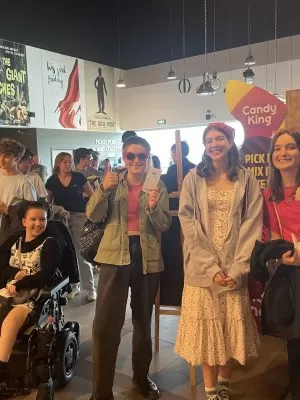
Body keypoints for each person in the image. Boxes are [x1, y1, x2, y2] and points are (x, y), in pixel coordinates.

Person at [175, 123, 262, 400]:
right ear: (204, 145)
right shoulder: (192, 178)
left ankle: (224, 384)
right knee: (206, 333)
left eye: (220, 138)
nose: (214, 144)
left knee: (229, 329)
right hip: (202, 271)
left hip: (235, 268)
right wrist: (211, 268)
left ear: (230, 141)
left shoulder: (246, 179)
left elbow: (253, 223)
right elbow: (187, 221)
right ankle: (211, 392)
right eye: (209, 139)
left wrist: (238, 267)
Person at [86, 136, 171, 400]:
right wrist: (102, 189)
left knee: (143, 322)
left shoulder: (157, 184)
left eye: (141, 156)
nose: (136, 161)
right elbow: (92, 215)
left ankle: (141, 378)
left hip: (147, 258)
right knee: (105, 326)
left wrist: (155, 207)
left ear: (148, 157)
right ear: (124, 157)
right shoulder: (111, 181)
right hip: (114, 256)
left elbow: (164, 224)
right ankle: (101, 391)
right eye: (130, 156)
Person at [0, 201, 61, 384]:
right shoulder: (13, 242)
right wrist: (13, 274)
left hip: (33, 298)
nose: (38, 223)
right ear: (24, 221)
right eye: (33, 219)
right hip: (7, 292)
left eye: (42, 219)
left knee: (10, 322)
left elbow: (45, 275)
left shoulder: (51, 244)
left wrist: (20, 283)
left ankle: (2, 370)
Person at [263, 130, 300, 400]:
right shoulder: (270, 193)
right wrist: (279, 256)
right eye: (278, 148)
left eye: (290, 147)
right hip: (289, 271)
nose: (283, 153)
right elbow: (275, 234)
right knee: (294, 335)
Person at [45, 152, 96, 302]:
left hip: (79, 217)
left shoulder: (79, 177)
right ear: (58, 164)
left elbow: (93, 196)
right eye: (64, 162)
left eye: (69, 161)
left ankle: (90, 288)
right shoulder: (52, 181)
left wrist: (89, 211)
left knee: (81, 252)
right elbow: (48, 203)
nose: (67, 164)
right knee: (67, 253)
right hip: (62, 219)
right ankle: (74, 286)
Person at [0, 139, 37, 231]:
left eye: (7, 156)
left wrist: (7, 210)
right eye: (0, 155)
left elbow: (34, 212)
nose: (1, 159)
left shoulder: (24, 183)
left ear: (17, 158)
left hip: (12, 231)